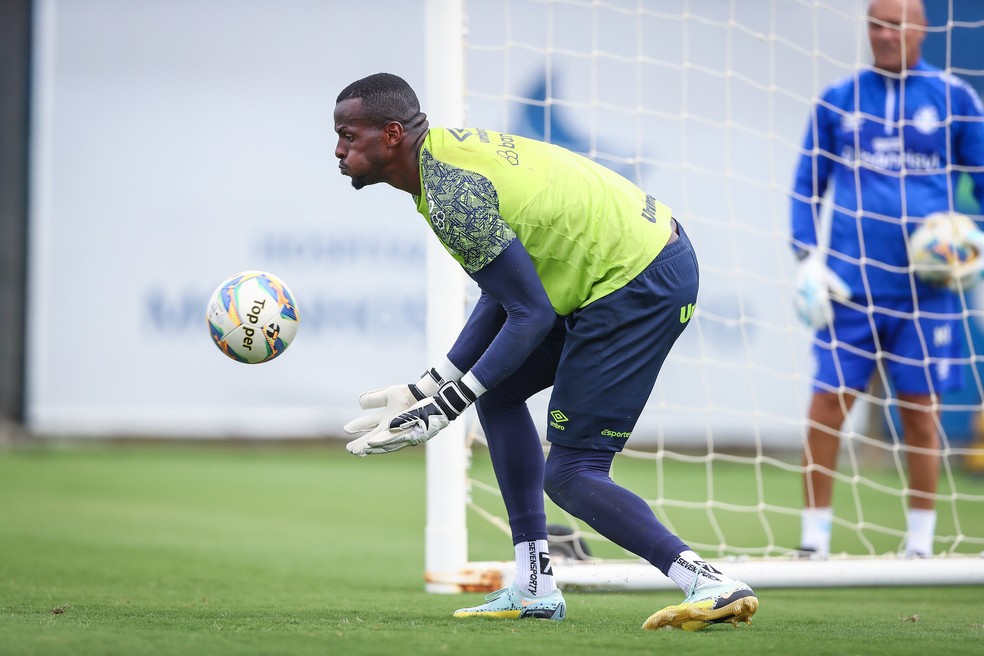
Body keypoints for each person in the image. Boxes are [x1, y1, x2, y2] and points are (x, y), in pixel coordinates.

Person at [335, 72, 758, 631]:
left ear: (391, 135)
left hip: (637, 277)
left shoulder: (449, 193)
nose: (338, 150)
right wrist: (431, 382)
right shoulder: (440, 164)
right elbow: (506, 291)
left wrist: (443, 407)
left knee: (572, 473)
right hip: (628, 262)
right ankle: (534, 584)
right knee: (502, 393)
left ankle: (709, 582)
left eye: (348, 135)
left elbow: (530, 314)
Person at [790, 0, 984, 558]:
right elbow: (807, 185)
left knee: (921, 417)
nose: (884, 33)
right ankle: (813, 541)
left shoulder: (954, 99)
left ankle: (920, 545)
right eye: (875, 23)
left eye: (896, 23)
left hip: (928, 293)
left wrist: (972, 243)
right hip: (850, 288)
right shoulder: (837, 100)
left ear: (922, 28)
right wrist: (807, 259)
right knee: (826, 409)